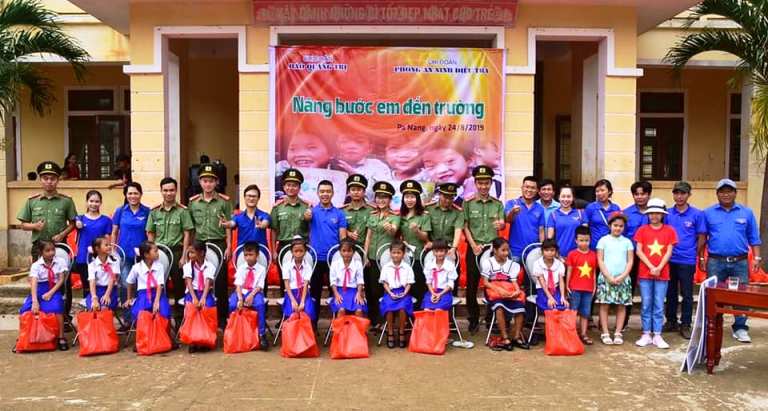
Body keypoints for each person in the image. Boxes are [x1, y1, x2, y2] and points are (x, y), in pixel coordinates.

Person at [699, 178, 762, 343]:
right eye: (722, 192)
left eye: (729, 191)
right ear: (717, 194)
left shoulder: (746, 212)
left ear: (735, 193)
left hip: (739, 262)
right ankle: (711, 325)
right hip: (715, 261)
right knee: (712, 295)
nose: (726, 194)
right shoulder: (708, 213)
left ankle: (740, 328)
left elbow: (754, 237)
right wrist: (701, 257)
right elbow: (703, 238)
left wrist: (756, 257)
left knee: (741, 296)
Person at [188, 163, 233, 329]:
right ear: (200, 182)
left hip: (218, 243)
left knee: (220, 282)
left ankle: (221, 318)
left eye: (211, 181)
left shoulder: (223, 202)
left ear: (216, 182)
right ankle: (202, 315)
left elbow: (227, 225)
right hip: (200, 245)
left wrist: (229, 246)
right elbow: (191, 228)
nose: (208, 184)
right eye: (205, 181)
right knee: (200, 280)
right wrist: (191, 248)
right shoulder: (193, 203)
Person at [463, 166, 505, 333]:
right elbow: (465, 226)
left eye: (486, 183)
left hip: (492, 250)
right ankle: (473, 319)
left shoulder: (497, 204)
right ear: (475, 183)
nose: (483, 186)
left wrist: (501, 224)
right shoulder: (468, 203)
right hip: (474, 248)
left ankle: (490, 318)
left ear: (491, 183)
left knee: (492, 284)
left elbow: (501, 223)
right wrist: (473, 245)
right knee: (472, 285)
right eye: (480, 183)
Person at [146, 177, 193, 323]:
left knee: (179, 286)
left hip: (177, 252)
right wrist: (150, 255)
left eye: (171, 190)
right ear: (161, 191)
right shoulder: (154, 212)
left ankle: (180, 321)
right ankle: (162, 319)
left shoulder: (183, 211)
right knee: (160, 285)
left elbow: (187, 234)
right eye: (165, 190)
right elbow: (150, 233)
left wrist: (184, 256)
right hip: (159, 253)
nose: (168, 193)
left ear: (176, 191)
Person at [664, 181, 706, 339]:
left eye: (683, 193)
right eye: (676, 193)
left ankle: (686, 324)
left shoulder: (697, 214)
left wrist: (696, 253)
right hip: (669, 259)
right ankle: (671, 321)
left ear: (689, 195)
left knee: (687, 294)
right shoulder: (667, 214)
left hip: (687, 260)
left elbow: (702, 236)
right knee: (670, 292)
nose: (679, 196)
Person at [634, 198, 677, 349]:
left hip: (662, 273)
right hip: (645, 273)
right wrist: (651, 266)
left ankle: (657, 334)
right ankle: (646, 333)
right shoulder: (642, 230)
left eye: (658, 213)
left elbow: (669, 252)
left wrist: (659, 267)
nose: (654, 216)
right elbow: (639, 251)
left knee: (658, 303)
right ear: (648, 214)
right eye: (651, 213)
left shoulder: (669, 231)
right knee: (646, 303)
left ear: (663, 215)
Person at [17, 161, 77, 261]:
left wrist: (62, 235)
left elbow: (73, 223)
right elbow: (23, 225)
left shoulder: (66, 201)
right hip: (39, 246)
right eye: (45, 178)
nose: (49, 181)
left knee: (62, 270)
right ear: (40, 180)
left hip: (59, 244)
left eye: (52, 179)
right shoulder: (32, 201)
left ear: (58, 180)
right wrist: (34, 226)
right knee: (38, 270)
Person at [306, 180, 348, 323]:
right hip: (315, 259)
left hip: (334, 261)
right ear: (317, 193)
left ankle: (337, 327)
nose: (325, 194)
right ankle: (313, 326)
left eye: (328, 191)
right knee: (314, 295)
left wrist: (343, 258)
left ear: (333, 193)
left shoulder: (339, 214)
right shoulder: (311, 212)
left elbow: (343, 237)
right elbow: (305, 218)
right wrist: (306, 215)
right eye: (322, 191)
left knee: (336, 294)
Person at [18, 240, 69, 351]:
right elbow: (34, 283)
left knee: (57, 308)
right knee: (25, 309)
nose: (51, 253)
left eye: (53, 250)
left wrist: (51, 293)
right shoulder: (36, 265)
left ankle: (61, 337)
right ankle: (24, 337)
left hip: (54, 289)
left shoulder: (60, 261)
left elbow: (61, 280)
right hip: (38, 290)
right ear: (41, 252)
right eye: (47, 251)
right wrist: (35, 301)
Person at [112, 182, 150, 325]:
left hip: (143, 256)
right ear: (126, 195)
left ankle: (141, 317)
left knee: (142, 285)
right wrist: (113, 250)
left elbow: (150, 232)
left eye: (136, 193)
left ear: (141, 194)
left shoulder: (147, 211)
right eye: (130, 193)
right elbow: (114, 232)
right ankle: (128, 320)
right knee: (125, 284)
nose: (133, 196)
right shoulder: (120, 211)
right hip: (124, 254)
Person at [363, 181, 400, 328]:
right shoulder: (372, 215)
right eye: (378, 197)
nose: (381, 200)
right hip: (372, 258)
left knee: (383, 288)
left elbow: (394, 230)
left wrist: (390, 228)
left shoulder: (394, 216)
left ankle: (384, 320)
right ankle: (373, 319)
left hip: (386, 260)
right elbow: (368, 237)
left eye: (385, 197)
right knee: (371, 289)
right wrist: (365, 255)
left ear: (390, 199)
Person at [481, 238, 528, 351]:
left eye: (507, 250)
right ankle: (505, 337)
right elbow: (485, 282)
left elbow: (514, 281)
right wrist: (499, 290)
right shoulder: (488, 263)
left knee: (520, 308)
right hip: (493, 291)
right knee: (499, 308)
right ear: (495, 250)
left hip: (509, 290)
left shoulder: (512, 265)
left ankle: (516, 337)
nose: (506, 253)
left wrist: (517, 291)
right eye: (503, 250)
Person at [595, 212, 634, 345]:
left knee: (621, 306)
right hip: (606, 278)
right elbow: (600, 260)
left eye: (621, 226)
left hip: (623, 279)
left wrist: (623, 276)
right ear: (610, 226)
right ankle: (605, 332)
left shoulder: (627, 242)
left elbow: (630, 261)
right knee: (604, 305)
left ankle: (618, 332)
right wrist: (608, 276)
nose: (618, 228)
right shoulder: (603, 241)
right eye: (615, 225)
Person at [271, 168, 310, 296]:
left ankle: (304, 304)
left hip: (302, 247)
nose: (291, 188)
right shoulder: (277, 207)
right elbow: (274, 230)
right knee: (285, 278)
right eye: (288, 185)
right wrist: (273, 251)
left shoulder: (307, 207)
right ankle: (286, 305)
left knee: (304, 278)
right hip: (284, 246)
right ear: (283, 187)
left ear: (299, 188)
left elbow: (311, 229)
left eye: (294, 185)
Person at [72, 190, 112, 316]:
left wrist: (108, 253)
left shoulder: (106, 220)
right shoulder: (80, 218)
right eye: (91, 201)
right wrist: (77, 223)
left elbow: (108, 239)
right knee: (87, 286)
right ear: (86, 202)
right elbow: (75, 222)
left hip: (100, 259)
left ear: (101, 203)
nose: (94, 204)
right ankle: (89, 314)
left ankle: (101, 313)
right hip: (83, 258)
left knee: (100, 285)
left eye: (97, 201)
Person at [622, 181, 652, 328]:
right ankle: (624, 322)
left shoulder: (654, 213)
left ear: (649, 195)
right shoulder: (626, 213)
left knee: (650, 290)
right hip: (631, 256)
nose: (639, 197)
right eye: (636, 194)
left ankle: (649, 324)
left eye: (643, 194)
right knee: (629, 288)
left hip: (650, 257)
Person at [229, 241, 269, 350]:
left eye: (251, 255)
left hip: (255, 291)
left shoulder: (261, 269)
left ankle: (261, 334)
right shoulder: (241, 268)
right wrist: (240, 298)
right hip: (241, 291)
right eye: (246, 255)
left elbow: (260, 286)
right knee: (232, 304)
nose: (248, 258)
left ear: (257, 255)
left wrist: (251, 295)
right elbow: (238, 285)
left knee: (260, 305)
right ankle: (234, 332)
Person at [399, 180, 431, 307]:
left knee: (418, 286)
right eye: (407, 197)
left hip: (418, 256)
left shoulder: (424, 216)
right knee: (405, 286)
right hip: (403, 257)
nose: (409, 200)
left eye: (412, 197)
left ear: (417, 198)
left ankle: (418, 314)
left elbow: (426, 236)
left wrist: (417, 231)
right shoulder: (400, 215)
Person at [379, 240, 415, 349]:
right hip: (390, 292)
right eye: (394, 253)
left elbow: (409, 283)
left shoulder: (407, 268)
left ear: (403, 254)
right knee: (389, 307)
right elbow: (384, 283)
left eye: (398, 253)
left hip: (403, 291)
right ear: (390, 253)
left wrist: (405, 293)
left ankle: (401, 331)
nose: (396, 255)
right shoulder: (386, 267)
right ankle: (390, 332)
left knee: (403, 308)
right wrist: (390, 292)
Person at [124, 241, 171, 323]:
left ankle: (158, 329)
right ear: (146, 255)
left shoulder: (159, 266)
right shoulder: (136, 267)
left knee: (164, 312)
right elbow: (129, 281)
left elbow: (160, 285)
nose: (158, 253)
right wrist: (129, 298)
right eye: (155, 251)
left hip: (158, 293)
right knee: (140, 313)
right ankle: (146, 330)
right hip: (143, 294)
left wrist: (156, 301)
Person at [566, 226, 598, 345]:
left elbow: (594, 272)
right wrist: (567, 285)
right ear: (576, 240)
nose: (584, 243)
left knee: (585, 312)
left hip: (588, 289)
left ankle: (584, 334)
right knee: (573, 311)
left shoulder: (593, 255)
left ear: (590, 240)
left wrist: (594, 286)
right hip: (575, 288)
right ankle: (572, 334)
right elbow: (569, 271)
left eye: (586, 240)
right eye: (581, 240)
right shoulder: (572, 254)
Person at [504, 176, 546, 261]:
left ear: (537, 191)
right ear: (522, 188)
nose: (529, 190)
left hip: (534, 251)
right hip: (515, 251)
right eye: (527, 187)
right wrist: (513, 212)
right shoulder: (512, 203)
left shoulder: (540, 208)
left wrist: (542, 248)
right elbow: (508, 220)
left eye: (533, 188)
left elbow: (541, 231)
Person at [221, 184, 270, 250]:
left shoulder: (264, 215)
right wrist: (226, 223)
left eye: (254, 196)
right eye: (249, 196)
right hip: (243, 253)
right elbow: (232, 223)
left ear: (258, 198)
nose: (251, 198)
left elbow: (265, 223)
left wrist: (262, 225)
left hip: (261, 252)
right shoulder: (238, 217)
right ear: (244, 197)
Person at [281, 237, 317, 323]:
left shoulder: (307, 266)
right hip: (291, 293)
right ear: (291, 252)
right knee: (291, 311)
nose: (298, 254)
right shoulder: (286, 266)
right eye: (296, 251)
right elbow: (287, 284)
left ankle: (306, 330)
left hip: (304, 293)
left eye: (301, 251)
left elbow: (305, 284)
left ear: (305, 252)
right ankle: (291, 330)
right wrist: (293, 301)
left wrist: (302, 302)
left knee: (308, 311)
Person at [328, 238, 367, 317]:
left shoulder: (357, 264)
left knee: (359, 310)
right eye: (344, 251)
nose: (346, 253)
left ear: (354, 252)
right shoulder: (335, 264)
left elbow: (360, 280)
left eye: (349, 251)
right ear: (340, 252)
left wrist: (359, 293)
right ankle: (339, 325)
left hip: (354, 291)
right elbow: (333, 281)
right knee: (341, 309)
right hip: (340, 291)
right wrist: (336, 294)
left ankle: (357, 325)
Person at [546, 185, 586, 257]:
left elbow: (585, 236)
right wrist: (556, 255)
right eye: (563, 196)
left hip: (578, 256)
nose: (566, 199)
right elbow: (550, 239)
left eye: (568, 196)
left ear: (573, 198)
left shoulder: (581, 213)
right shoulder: (553, 215)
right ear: (559, 197)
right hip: (560, 256)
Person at [532, 239, 569, 311]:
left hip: (556, 289)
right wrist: (550, 297)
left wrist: (562, 296)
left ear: (556, 251)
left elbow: (561, 281)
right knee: (552, 306)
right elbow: (542, 282)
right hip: (543, 290)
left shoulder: (559, 264)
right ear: (542, 251)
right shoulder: (537, 264)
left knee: (564, 305)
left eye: (552, 250)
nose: (549, 253)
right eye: (547, 250)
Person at [420, 240, 457, 311]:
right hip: (432, 291)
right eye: (436, 251)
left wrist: (440, 294)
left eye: (441, 251)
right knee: (427, 309)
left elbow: (450, 284)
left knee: (438, 310)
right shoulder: (429, 265)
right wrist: (433, 293)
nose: (439, 254)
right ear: (433, 252)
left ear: (446, 251)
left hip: (445, 292)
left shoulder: (450, 266)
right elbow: (428, 281)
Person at [86, 236, 120, 312]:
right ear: (97, 248)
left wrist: (107, 295)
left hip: (110, 290)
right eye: (106, 245)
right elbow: (92, 281)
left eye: (110, 245)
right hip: (97, 290)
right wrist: (94, 297)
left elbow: (112, 279)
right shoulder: (92, 265)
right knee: (94, 307)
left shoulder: (115, 261)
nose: (109, 247)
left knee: (104, 308)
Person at [585, 179, 621, 250]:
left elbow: (620, 227)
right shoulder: (590, 207)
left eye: (602, 190)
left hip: (612, 247)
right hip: (595, 246)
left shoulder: (616, 208)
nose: (599, 193)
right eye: (597, 191)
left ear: (609, 191)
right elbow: (585, 227)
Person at [341, 174, 372, 248]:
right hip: (348, 249)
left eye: (359, 190)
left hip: (366, 249)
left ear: (364, 192)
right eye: (353, 190)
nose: (356, 192)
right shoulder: (342, 211)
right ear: (349, 192)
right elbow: (337, 228)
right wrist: (348, 233)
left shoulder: (371, 210)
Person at [182, 241, 216, 309]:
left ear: (202, 253)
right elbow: (189, 283)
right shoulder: (187, 266)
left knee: (208, 306)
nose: (190, 255)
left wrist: (203, 298)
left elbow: (208, 283)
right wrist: (194, 298)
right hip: (192, 292)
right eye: (189, 253)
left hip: (205, 292)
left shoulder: (210, 266)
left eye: (192, 252)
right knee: (191, 306)